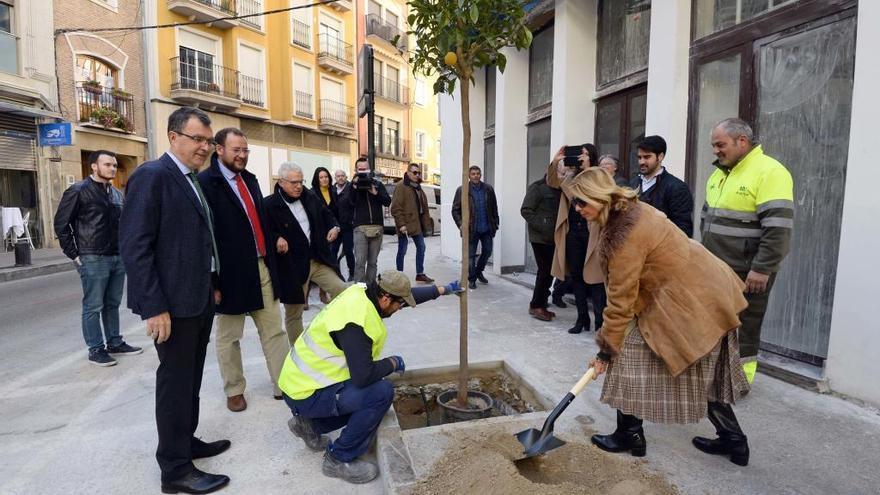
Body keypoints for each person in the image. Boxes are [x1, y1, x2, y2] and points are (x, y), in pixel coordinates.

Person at [566, 168, 751, 466]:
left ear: (600, 198)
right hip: (697, 289)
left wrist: (605, 349)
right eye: (574, 203)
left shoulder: (623, 236)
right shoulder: (629, 210)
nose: (577, 209)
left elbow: (620, 300)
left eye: (581, 203)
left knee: (678, 367)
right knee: (700, 371)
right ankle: (731, 440)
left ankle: (631, 435)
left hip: (694, 301)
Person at [120, 107, 230, 494]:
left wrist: (212, 282)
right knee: (175, 384)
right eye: (197, 139)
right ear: (173, 136)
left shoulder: (191, 179)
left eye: (208, 141)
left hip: (196, 298)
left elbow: (199, 240)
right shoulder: (153, 175)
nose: (204, 147)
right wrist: (154, 306)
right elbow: (135, 246)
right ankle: (175, 469)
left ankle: (186, 441)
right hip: (172, 305)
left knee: (191, 380)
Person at [278, 270, 462, 484]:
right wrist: (392, 363)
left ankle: (309, 426)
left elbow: (406, 295)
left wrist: (442, 290)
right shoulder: (355, 323)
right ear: (385, 299)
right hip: (306, 393)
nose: (399, 309)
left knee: (369, 397)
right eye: (399, 305)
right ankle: (338, 458)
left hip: (300, 383)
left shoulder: (364, 292)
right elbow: (363, 376)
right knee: (379, 393)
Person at [197, 127, 289, 413]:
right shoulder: (205, 183)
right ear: (219, 149)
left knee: (274, 331)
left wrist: (274, 238)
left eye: (245, 150)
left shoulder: (249, 179)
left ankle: (284, 383)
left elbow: (257, 220)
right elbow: (204, 237)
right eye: (236, 150)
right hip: (229, 274)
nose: (242, 155)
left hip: (261, 267)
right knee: (228, 337)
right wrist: (213, 281)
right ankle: (234, 389)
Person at [701, 118, 794, 384]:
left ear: (742, 141)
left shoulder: (770, 172)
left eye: (720, 145)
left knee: (746, 326)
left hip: (749, 271)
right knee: (716, 322)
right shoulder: (719, 173)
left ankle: (740, 381)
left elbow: (778, 229)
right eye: (713, 146)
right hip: (717, 267)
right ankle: (716, 376)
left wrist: (762, 268)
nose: (716, 151)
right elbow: (707, 218)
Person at [54, 150, 142, 366]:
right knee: (93, 305)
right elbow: (61, 225)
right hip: (91, 256)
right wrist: (74, 255)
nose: (112, 168)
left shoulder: (117, 194)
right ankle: (96, 349)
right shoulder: (78, 191)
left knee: (112, 304)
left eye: (114, 165)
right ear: (94, 166)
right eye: (107, 164)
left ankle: (114, 342)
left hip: (116, 256)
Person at [264, 162, 349, 345]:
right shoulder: (269, 205)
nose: (298, 186)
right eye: (293, 182)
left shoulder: (309, 196)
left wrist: (334, 226)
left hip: (317, 259)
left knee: (342, 291)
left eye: (300, 181)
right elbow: (264, 231)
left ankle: (338, 333)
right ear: (281, 182)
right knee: (294, 313)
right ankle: (298, 350)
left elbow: (326, 213)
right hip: (292, 266)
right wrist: (276, 238)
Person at [546, 145, 607, 335]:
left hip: (593, 233)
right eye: (579, 153)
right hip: (573, 232)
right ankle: (582, 319)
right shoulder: (572, 177)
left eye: (585, 154)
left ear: (592, 157)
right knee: (577, 277)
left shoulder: (599, 176)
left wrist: (587, 170)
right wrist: (556, 161)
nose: (581, 157)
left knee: (596, 280)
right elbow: (553, 181)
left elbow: (599, 197)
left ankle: (600, 322)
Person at [629, 136, 694, 237]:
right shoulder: (632, 184)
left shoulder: (677, 188)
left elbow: (683, 230)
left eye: (647, 157)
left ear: (660, 157)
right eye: (639, 157)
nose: (641, 162)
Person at [520, 173, 562, 321]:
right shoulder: (537, 188)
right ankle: (536, 305)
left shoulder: (560, 189)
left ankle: (540, 303)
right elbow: (525, 210)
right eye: (561, 173)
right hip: (540, 238)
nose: (563, 175)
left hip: (554, 238)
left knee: (549, 272)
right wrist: (543, 225)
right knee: (545, 271)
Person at [451, 166, 499, 290]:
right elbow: (455, 210)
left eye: (478, 173)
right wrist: (461, 224)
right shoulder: (462, 190)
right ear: (469, 176)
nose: (476, 176)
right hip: (471, 229)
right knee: (470, 256)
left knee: (487, 251)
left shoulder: (488, 189)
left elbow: (494, 207)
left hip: (487, 228)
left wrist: (496, 223)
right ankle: (471, 278)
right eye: (473, 174)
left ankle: (479, 271)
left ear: (481, 175)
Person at [346, 157, 391, 283]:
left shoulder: (377, 184)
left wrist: (376, 193)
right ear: (356, 170)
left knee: (372, 262)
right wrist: (354, 187)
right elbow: (349, 202)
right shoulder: (352, 185)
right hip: (360, 228)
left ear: (369, 169)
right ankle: (360, 291)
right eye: (360, 169)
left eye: (365, 169)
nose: (363, 171)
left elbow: (387, 202)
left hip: (377, 227)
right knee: (360, 262)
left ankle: (370, 289)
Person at [390, 163, 434, 283]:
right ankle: (399, 276)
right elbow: (395, 208)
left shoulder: (417, 187)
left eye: (418, 173)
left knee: (421, 247)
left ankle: (420, 274)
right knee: (402, 250)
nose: (417, 175)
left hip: (416, 224)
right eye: (414, 173)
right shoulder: (401, 186)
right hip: (405, 225)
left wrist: (426, 225)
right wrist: (401, 224)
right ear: (408, 173)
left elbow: (422, 208)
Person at [311, 167, 339, 304]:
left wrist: (336, 227)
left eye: (326, 176)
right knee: (315, 264)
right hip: (316, 233)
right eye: (321, 177)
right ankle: (304, 298)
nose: (324, 179)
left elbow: (334, 212)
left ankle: (323, 293)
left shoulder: (333, 192)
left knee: (328, 263)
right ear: (317, 179)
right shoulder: (312, 193)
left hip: (331, 232)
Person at [334, 168, 355, 280]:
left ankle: (352, 273)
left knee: (348, 251)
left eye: (342, 175)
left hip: (347, 226)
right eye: (338, 176)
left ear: (346, 177)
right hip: (335, 227)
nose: (340, 177)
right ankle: (335, 273)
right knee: (333, 251)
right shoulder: (332, 190)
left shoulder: (350, 188)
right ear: (335, 178)